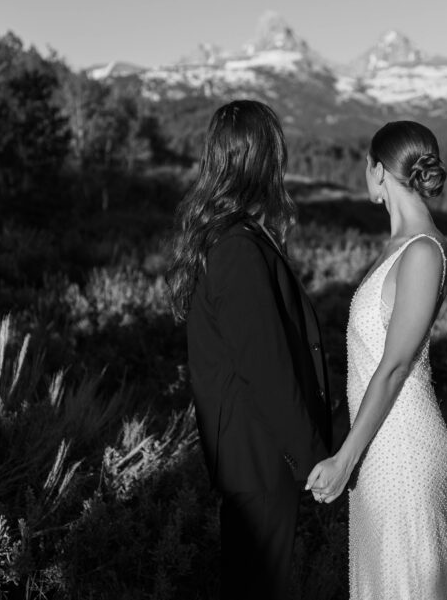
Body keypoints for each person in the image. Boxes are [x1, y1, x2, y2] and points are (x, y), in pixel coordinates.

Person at [168, 100, 333, 600]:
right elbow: (267, 369)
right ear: (262, 160)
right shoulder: (238, 248)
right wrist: (312, 459)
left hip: (250, 455)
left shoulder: (225, 237)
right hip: (260, 457)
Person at [305, 121, 447, 599]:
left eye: (366, 165)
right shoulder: (398, 248)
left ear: (378, 171)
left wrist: (345, 457)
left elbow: (396, 365)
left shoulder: (422, 252)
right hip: (378, 442)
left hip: (402, 447)